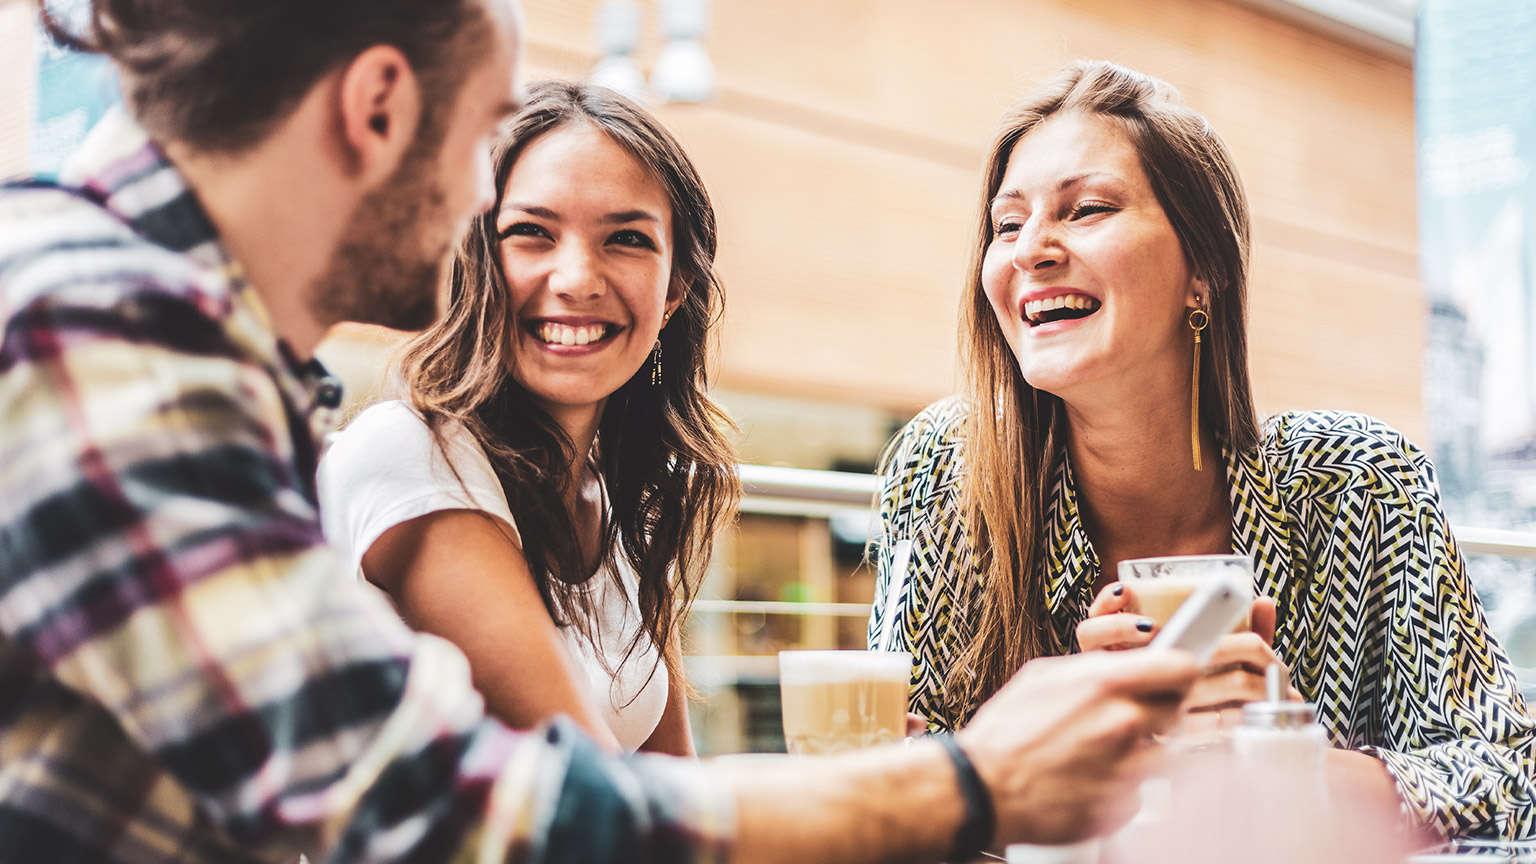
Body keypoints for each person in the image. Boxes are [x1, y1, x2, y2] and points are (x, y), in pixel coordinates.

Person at [0, 4, 1202, 862]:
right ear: (375, 109)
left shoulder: (177, 340)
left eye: (628, 238)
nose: (483, 207)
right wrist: (969, 787)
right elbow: (430, 807)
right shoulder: (99, 333)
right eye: (484, 148)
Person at [869, 59, 1536, 841]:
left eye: (1085, 209)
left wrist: (1289, 758)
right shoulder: (944, 468)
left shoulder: (1360, 481)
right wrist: (1048, 740)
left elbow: (1511, 775)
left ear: (1205, 268)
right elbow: (891, 773)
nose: (1030, 250)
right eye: (1007, 224)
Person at [317, 80, 736, 757]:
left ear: (672, 294)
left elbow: (672, 786)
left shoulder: (619, 499)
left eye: (626, 238)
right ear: (474, 259)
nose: (577, 278)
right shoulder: (414, 458)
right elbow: (603, 804)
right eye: (530, 233)